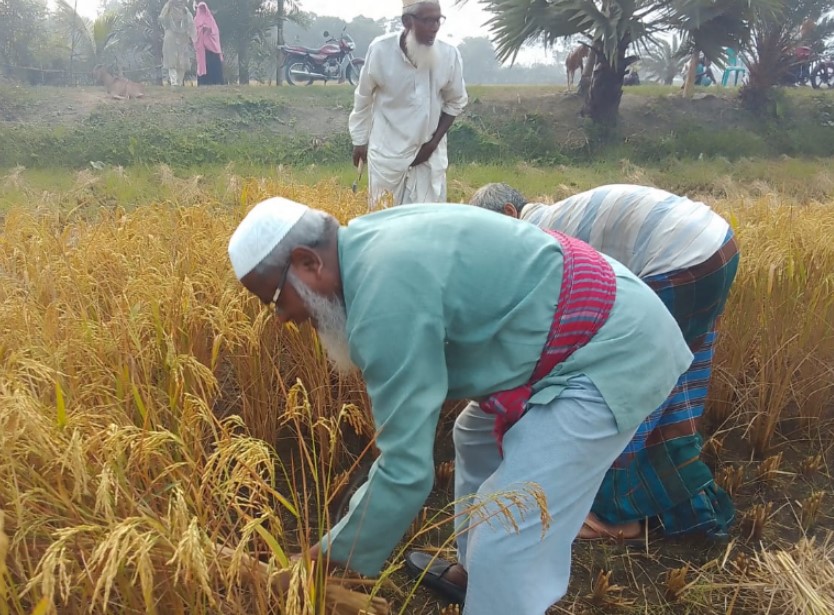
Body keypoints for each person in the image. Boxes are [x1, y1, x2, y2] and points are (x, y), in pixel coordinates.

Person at [227, 197, 693, 613]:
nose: (284, 318)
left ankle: (499, 589)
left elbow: (405, 471)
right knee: (471, 433)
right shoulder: (367, 243)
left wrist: (320, 563)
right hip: (598, 321)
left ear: (308, 262)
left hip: (614, 349)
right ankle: (479, 580)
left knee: (506, 532)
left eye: (275, 298)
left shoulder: (383, 300)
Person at [468, 182, 739, 542]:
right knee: (669, 393)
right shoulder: (556, 217)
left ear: (508, 214)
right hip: (715, 246)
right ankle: (674, 504)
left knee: (618, 395)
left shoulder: (539, 239)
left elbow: (561, 334)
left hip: (680, 260)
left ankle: (615, 517)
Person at [349, 0, 468, 209]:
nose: (434, 27)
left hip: (427, 160)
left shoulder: (449, 55)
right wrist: (359, 140)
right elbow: (363, 97)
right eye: (427, 20)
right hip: (387, 157)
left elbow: (456, 101)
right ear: (407, 21)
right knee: (384, 224)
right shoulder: (380, 50)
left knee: (427, 227)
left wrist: (431, 146)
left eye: (438, 20)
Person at [160, 0, 196, 86]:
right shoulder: (168, 8)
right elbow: (162, 19)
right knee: (171, 60)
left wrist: (190, 35)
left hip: (183, 38)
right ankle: (174, 82)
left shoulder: (186, 11)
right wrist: (169, 6)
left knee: (182, 61)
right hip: (171, 37)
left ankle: (179, 82)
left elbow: (191, 25)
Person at [194, 2, 224, 86]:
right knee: (203, 65)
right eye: (200, 8)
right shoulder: (196, 20)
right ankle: (204, 82)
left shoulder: (210, 19)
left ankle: (216, 82)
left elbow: (215, 33)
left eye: (203, 8)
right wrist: (201, 30)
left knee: (213, 65)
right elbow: (194, 33)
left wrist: (208, 30)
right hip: (202, 49)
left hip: (212, 49)